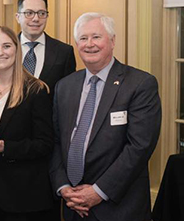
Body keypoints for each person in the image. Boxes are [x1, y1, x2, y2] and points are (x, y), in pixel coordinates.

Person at [50, 13, 161, 221]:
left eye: (96, 37)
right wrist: (63, 186)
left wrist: (98, 192)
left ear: (112, 41)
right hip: (73, 206)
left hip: (118, 208)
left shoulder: (139, 84)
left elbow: (139, 146)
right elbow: (56, 141)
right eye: (83, 39)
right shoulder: (64, 86)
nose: (89, 44)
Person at [0, 26, 54, 221]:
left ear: (17, 49)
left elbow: (45, 143)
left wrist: (7, 148)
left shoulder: (35, 90)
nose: (0, 52)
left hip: (18, 193)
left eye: (6, 46)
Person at [16, 0, 75, 94]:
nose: (36, 19)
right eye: (29, 13)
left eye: (41, 13)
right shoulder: (5, 49)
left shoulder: (64, 52)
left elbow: (68, 94)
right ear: (18, 17)